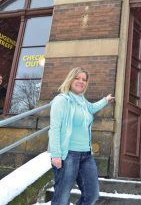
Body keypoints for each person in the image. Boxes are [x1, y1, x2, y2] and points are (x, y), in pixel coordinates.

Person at [48, 67, 115, 205]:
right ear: (70, 80)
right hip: (68, 154)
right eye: (77, 78)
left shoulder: (83, 101)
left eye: (84, 79)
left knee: (92, 194)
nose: (81, 81)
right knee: (62, 198)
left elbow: (92, 108)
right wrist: (56, 154)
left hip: (86, 155)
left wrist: (105, 100)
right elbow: (54, 129)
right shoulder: (61, 100)